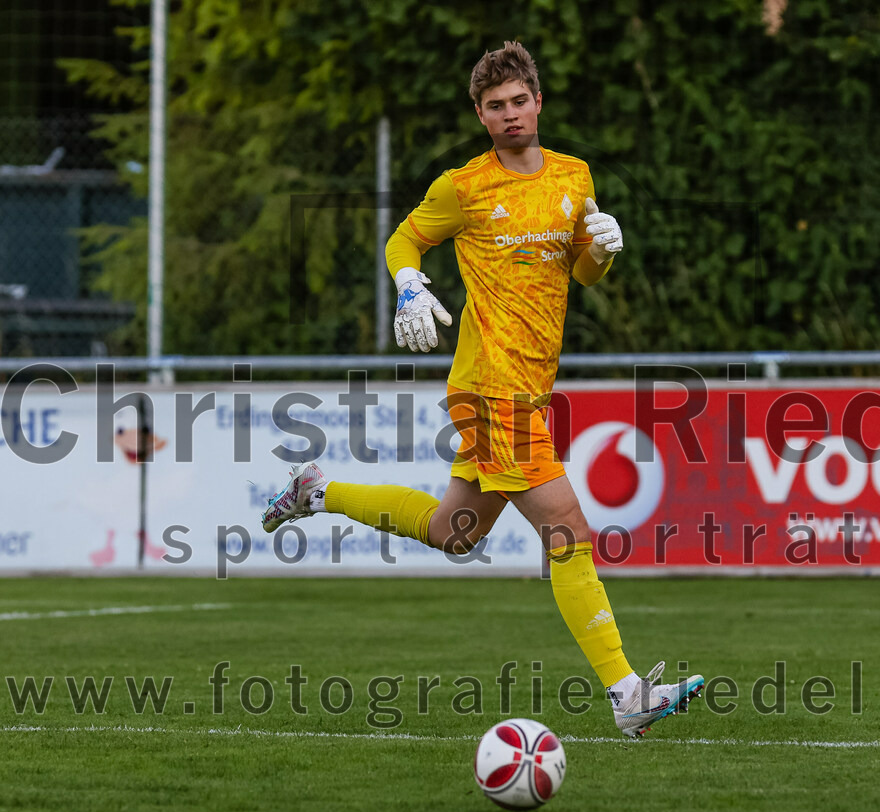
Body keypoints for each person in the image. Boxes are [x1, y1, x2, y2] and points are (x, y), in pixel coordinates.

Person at [262, 40, 703, 737]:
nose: (510, 114)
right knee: (568, 532)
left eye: (519, 101)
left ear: (537, 100)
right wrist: (407, 284)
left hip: (529, 387)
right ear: (480, 114)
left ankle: (318, 490)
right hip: (490, 388)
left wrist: (602, 250)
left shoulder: (575, 177)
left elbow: (583, 276)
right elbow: (403, 242)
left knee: (455, 533)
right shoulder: (462, 187)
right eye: (495, 106)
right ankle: (626, 694)